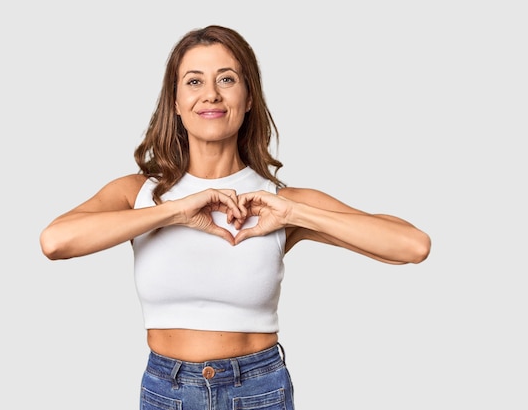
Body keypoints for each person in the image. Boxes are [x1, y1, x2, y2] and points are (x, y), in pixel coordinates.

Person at [39, 25, 431, 409]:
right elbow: (56, 241)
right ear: (174, 102)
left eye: (226, 79)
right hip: (167, 392)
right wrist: (175, 211)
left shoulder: (279, 201)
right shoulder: (138, 194)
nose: (211, 94)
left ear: (248, 99)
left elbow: (412, 246)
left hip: (258, 391)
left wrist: (297, 213)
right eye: (194, 81)